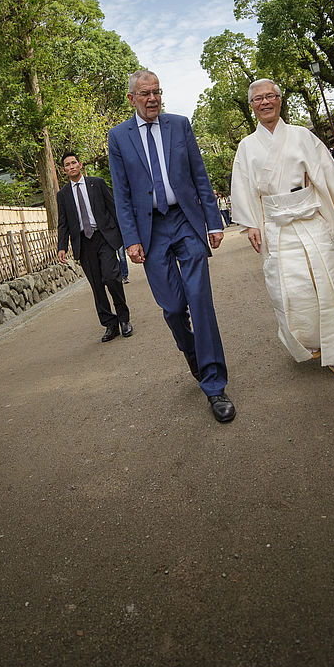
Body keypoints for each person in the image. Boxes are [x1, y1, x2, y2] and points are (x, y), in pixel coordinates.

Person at [108, 70, 234, 423]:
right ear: (132, 98)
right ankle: (193, 353)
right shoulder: (118, 137)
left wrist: (213, 221)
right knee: (175, 307)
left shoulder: (179, 125)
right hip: (151, 230)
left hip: (185, 221)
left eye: (157, 92)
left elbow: (200, 175)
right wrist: (130, 238)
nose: (153, 99)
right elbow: (121, 192)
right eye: (145, 94)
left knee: (200, 300)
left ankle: (214, 384)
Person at [231, 79, 334, 378]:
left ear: (280, 100)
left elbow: (325, 170)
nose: (265, 102)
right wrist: (251, 224)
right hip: (276, 226)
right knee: (291, 289)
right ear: (252, 105)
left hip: (310, 217)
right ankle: (312, 341)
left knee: (329, 279)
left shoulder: (301, 135)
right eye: (258, 99)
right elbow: (242, 189)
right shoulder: (246, 147)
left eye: (271, 96)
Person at [56, 151, 132, 341]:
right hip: (83, 243)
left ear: (80, 165)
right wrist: (62, 246)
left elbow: (112, 208)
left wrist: (127, 236)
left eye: (74, 163)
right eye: (67, 165)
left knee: (111, 277)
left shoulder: (96, 183)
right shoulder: (63, 195)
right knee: (97, 286)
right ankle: (110, 324)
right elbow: (63, 222)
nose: (71, 166)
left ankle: (124, 319)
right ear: (64, 170)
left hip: (104, 237)